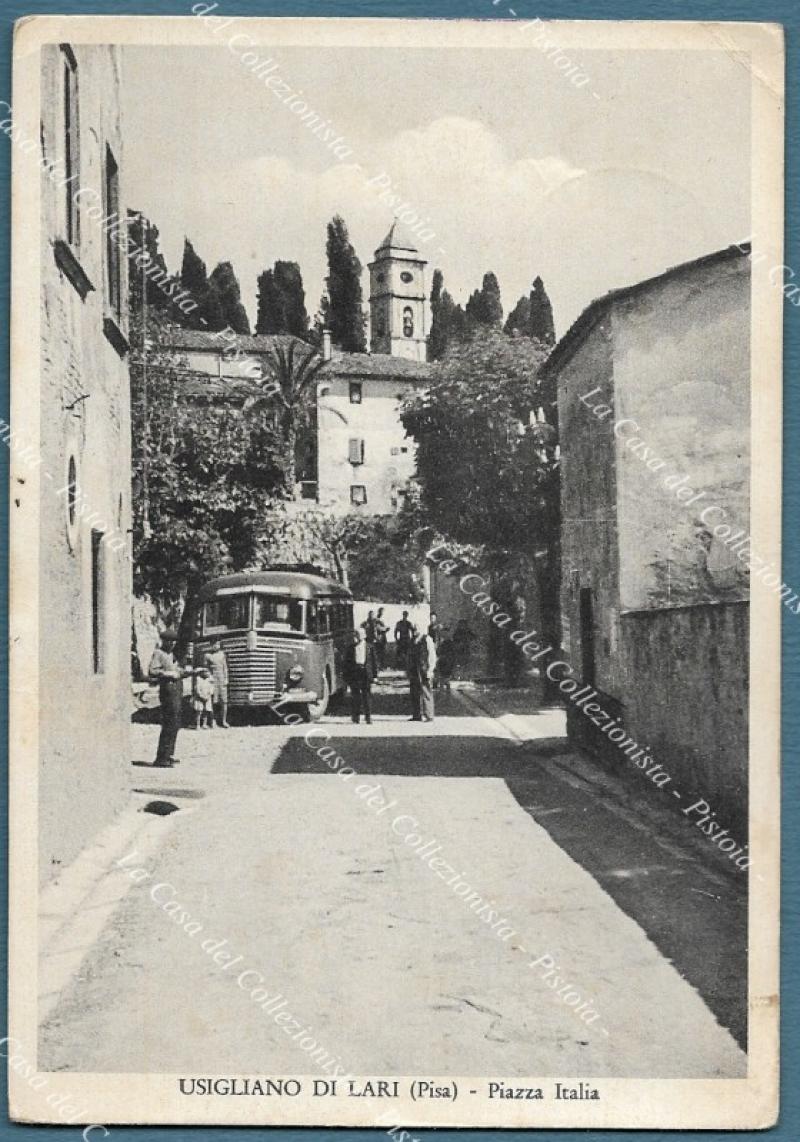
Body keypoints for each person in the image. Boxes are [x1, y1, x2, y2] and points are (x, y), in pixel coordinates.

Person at [148, 630, 189, 768]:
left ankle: (169, 754)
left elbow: (177, 670)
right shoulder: (158, 653)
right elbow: (152, 671)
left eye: (173, 641)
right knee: (169, 723)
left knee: (175, 724)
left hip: (176, 691)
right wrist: (168, 674)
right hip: (167, 691)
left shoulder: (171, 655)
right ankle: (161, 758)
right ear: (163, 641)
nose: (171, 643)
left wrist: (188, 672)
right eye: (168, 641)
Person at [343, 630, 374, 724]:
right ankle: (356, 717)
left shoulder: (369, 647)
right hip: (355, 673)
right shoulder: (351, 648)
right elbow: (346, 663)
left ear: (364, 636)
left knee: (366, 696)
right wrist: (346, 676)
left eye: (359, 635)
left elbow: (374, 662)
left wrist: (375, 676)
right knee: (355, 695)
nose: (357, 636)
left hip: (366, 672)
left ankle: (368, 717)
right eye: (356, 634)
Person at [407, 622, 436, 722]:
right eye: (413, 629)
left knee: (426, 691)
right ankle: (417, 714)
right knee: (414, 692)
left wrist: (430, 670)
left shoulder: (427, 639)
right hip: (414, 669)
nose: (414, 630)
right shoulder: (412, 641)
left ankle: (429, 715)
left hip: (424, 669)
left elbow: (432, 656)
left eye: (416, 628)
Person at [204, 640, 230, 727]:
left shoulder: (222, 655)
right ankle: (213, 721)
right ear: (211, 645)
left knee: (224, 701)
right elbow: (206, 668)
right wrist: (209, 677)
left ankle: (224, 721)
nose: (216, 646)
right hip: (213, 680)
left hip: (221, 679)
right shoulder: (208, 656)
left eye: (217, 644)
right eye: (214, 644)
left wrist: (226, 678)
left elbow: (225, 668)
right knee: (213, 701)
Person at [375, 607, 389, 672]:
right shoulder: (377, 619)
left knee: (383, 652)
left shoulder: (382, 619)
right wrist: (385, 629)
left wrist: (385, 629)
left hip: (383, 637)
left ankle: (383, 666)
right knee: (379, 652)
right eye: (381, 611)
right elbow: (378, 628)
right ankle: (379, 666)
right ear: (379, 611)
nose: (382, 613)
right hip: (379, 637)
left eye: (383, 612)